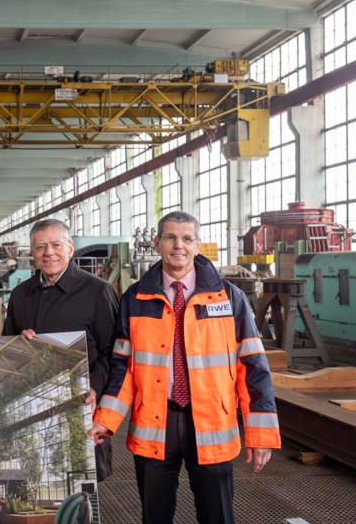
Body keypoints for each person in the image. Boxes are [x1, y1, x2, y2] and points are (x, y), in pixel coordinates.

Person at [89, 211, 281, 524]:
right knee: (155, 516)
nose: (179, 245)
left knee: (217, 515)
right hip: (154, 423)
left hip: (212, 425)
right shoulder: (135, 299)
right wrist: (105, 420)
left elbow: (254, 368)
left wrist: (260, 434)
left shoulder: (229, 298)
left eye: (187, 238)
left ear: (198, 245)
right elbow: (122, 368)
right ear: (157, 243)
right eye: (170, 237)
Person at [3, 218, 118, 481]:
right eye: (41, 247)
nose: (49, 252)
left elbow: (112, 352)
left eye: (56, 244)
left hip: (83, 402)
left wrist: (95, 389)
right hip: (35, 406)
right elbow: (8, 346)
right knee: (38, 476)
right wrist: (20, 342)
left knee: (83, 479)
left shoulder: (98, 292)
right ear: (32, 253)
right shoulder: (21, 295)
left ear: (70, 248)